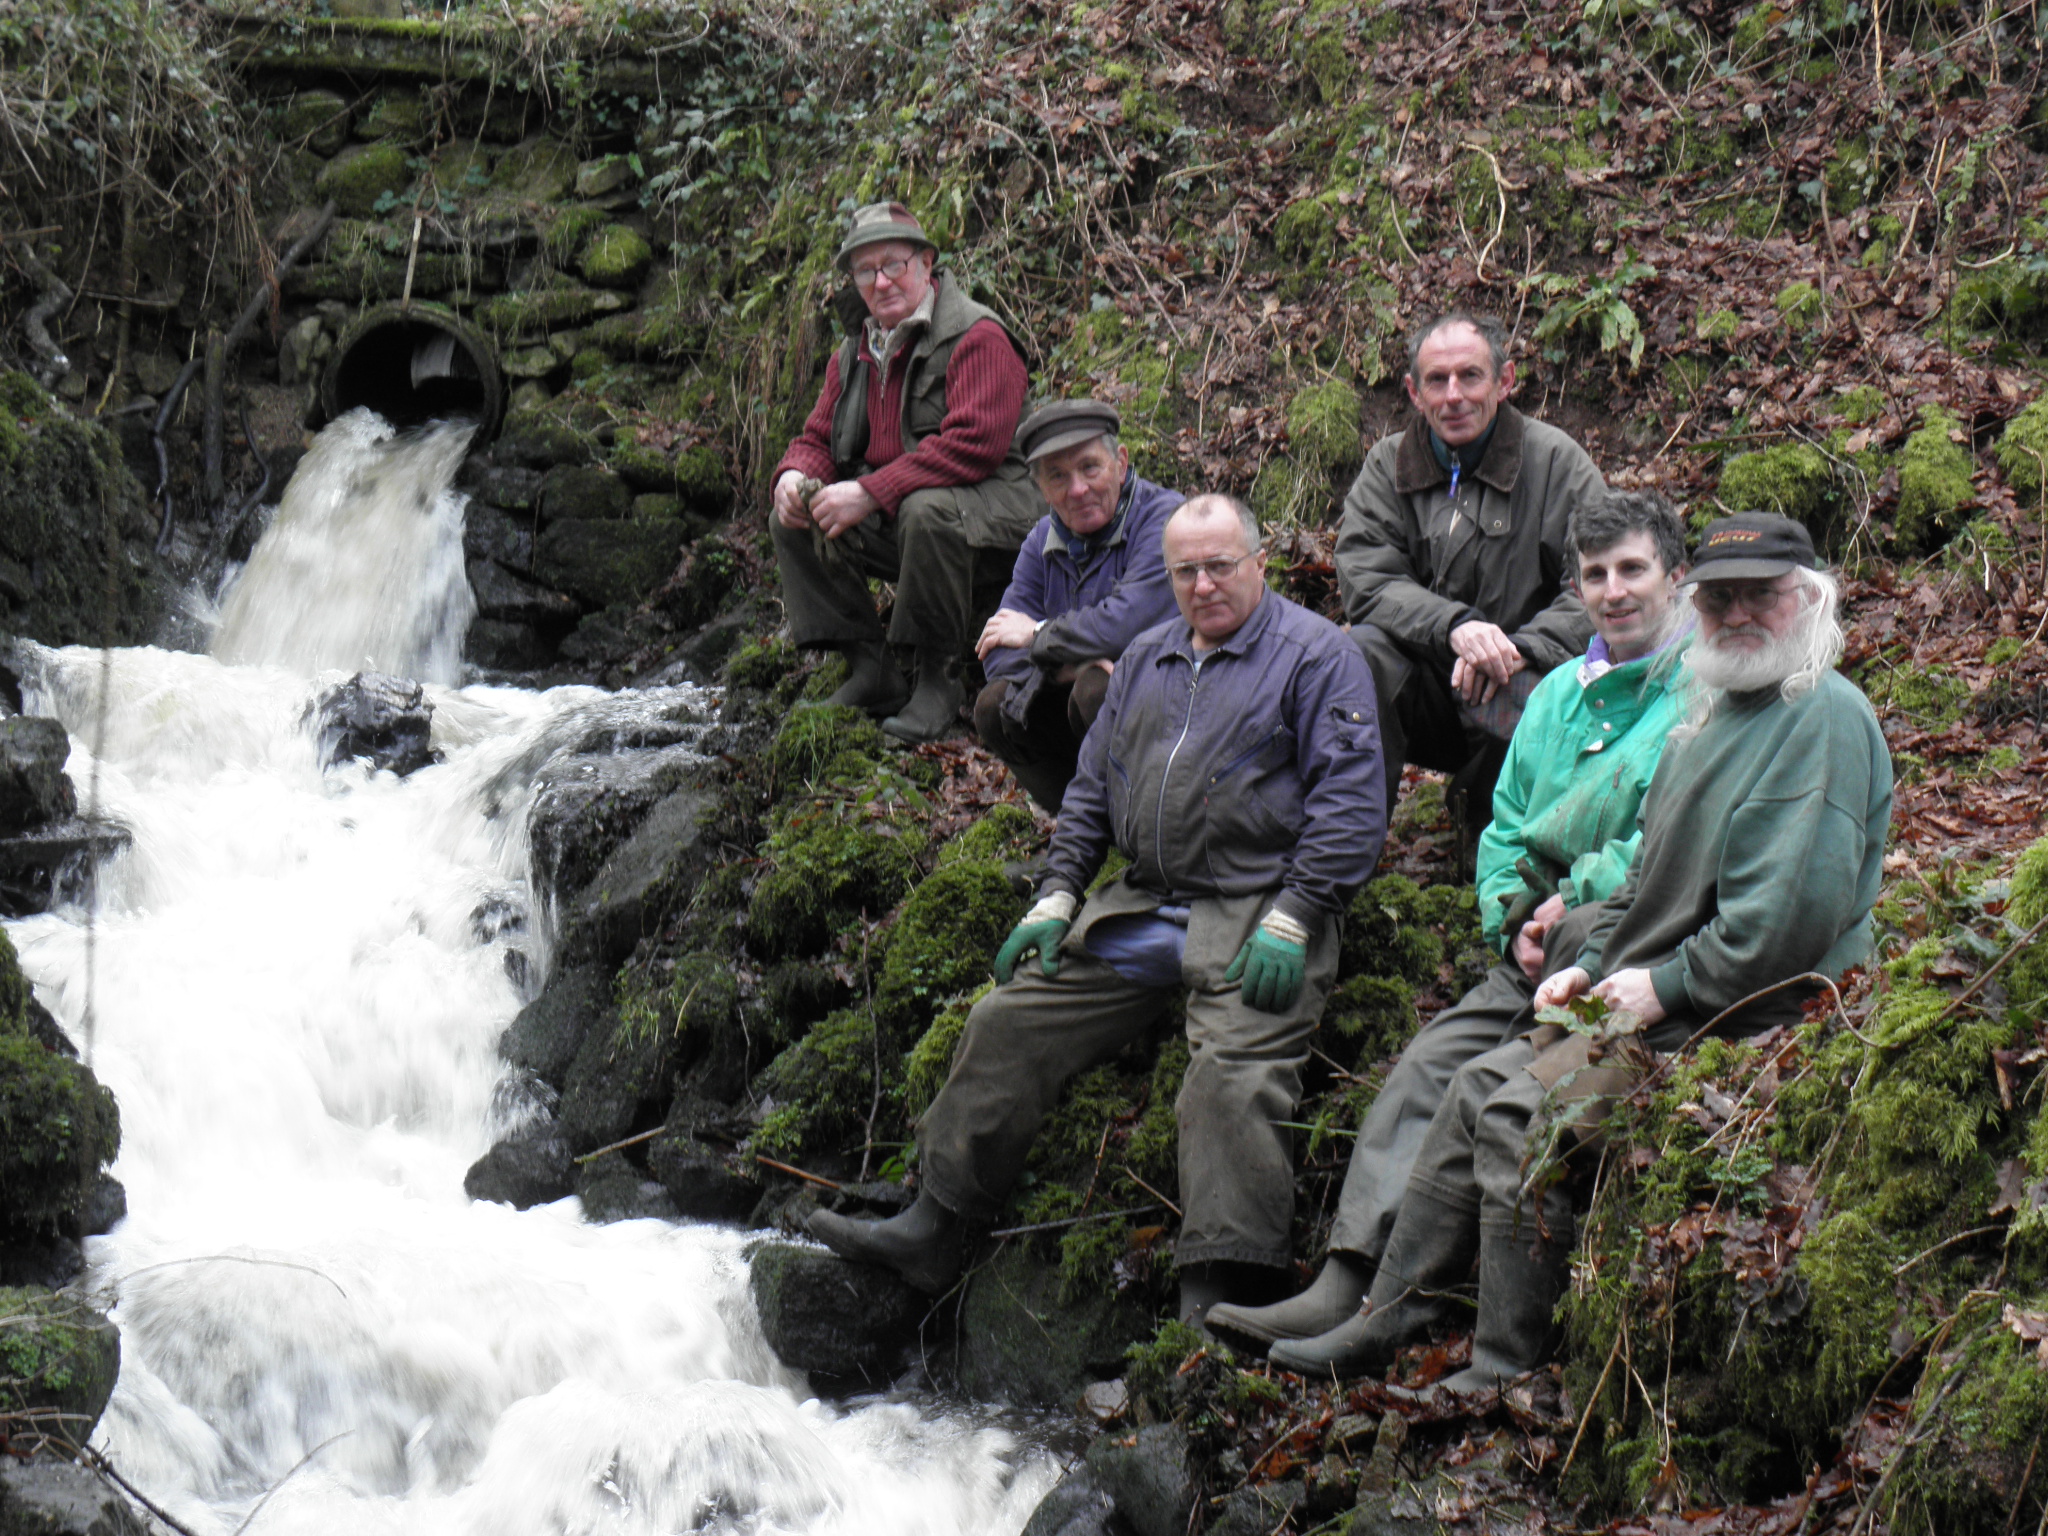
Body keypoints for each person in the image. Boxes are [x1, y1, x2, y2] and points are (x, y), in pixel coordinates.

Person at [1264, 511, 1892, 1396]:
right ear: (1698, 605)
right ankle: (1387, 1315)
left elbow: (1782, 929)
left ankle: (1501, 1366)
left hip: (1752, 1016)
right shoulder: (1710, 715)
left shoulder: (1819, 715)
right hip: (1665, 990)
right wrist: (1591, 965)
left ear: (1810, 598)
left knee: (1527, 1116)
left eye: (1766, 594)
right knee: (1475, 1086)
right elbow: (1644, 886)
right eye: (1724, 598)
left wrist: (1657, 987)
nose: (1742, 613)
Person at [808, 495, 1387, 1323]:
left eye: (1221, 565)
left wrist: (1300, 914)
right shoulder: (1147, 653)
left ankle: (1225, 1284)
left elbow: (1352, 806)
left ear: (1261, 563)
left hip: (1260, 913)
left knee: (1228, 1077)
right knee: (1007, 1020)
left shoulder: (1319, 657)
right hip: (1143, 904)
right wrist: (1055, 896)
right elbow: (1087, 794)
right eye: (1184, 569)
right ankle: (937, 1220)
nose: (1203, 584)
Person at [1205, 488, 1695, 1355]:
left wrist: (1571, 897)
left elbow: (1664, 834)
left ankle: (1397, 1309)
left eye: (1633, 571)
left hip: (1625, 946)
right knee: (1425, 1068)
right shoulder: (1558, 696)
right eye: (1595, 576)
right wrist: (1509, 912)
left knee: (1489, 1095)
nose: (1614, 591)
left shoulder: (1697, 697)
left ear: (1675, 577)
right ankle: (1346, 1279)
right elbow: (1505, 822)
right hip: (1532, 947)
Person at [769, 201, 1039, 743]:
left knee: (926, 507)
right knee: (794, 514)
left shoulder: (977, 335)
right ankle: (872, 668)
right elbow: (818, 437)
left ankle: (939, 677)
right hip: (914, 513)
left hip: (1005, 513)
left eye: (894, 264)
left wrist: (870, 492)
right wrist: (793, 476)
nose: (881, 281)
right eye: (866, 271)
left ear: (926, 263)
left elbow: (973, 447)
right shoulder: (856, 349)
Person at [1335, 312, 1606, 816]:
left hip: (1526, 679)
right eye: (1437, 380)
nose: (1453, 395)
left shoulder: (1555, 463)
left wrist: (1518, 650)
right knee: (1360, 654)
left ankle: (1486, 823)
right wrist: (1455, 628)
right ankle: (1346, 846)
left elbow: (1600, 583)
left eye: (1470, 376)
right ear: (1415, 393)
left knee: (1549, 696)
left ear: (1504, 382)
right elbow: (1366, 579)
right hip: (1431, 685)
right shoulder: (1387, 464)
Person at [972, 400, 1184, 812]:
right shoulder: (1040, 541)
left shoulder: (1165, 519)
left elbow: (1126, 625)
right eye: (1057, 476)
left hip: (1176, 703)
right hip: (1077, 700)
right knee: (994, 706)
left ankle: (1147, 827)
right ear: (1041, 489)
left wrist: (1038, 634)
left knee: (1097, 689)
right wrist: (1067, 666)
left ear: (1120, 464)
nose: (1077, 489)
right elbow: (996, 650)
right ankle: (1080, 829)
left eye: (1090, 468)